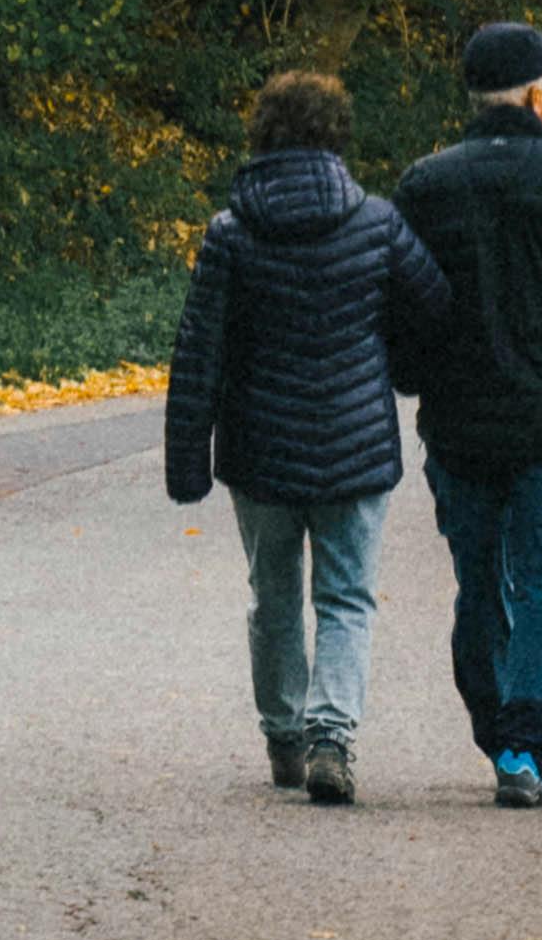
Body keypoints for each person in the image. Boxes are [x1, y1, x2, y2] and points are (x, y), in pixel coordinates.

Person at [163, 69, 448, 806]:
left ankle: (285, 736)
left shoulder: (230, 234)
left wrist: (188, 462)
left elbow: (201, 352)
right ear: (336, 138)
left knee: (274, 597)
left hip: (260, 453)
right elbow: (435, 313)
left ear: (262, 136)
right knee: (347, 598)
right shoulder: (377, 223)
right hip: (355, 448)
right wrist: (401, 373)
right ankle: (332, 736)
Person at [394, 17, 542, 808]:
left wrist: (420, 379)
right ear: (538, 96)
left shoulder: (425, 186)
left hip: (459, 426)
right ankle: (527, 747)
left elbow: (402, 310)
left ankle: (496, 724)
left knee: (478, 578)